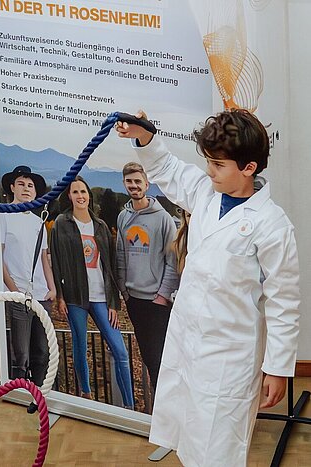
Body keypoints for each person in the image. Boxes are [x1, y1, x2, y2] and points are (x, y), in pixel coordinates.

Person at [116, 109, 300, 466]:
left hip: (230, 354)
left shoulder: (273, 225)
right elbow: (167, 168)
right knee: (188, 435)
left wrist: (277, 367)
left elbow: (283, 300)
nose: (209, 171)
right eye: (208, 162)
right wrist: (144, 136)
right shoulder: (205, 193)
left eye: (218, 164)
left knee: (218, 447)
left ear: (248, 168)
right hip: (187, 337)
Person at [49, 176, 134, 409]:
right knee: (80, 345)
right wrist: (61, 296)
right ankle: (86, 394)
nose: (80, 196)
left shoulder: (101, 226)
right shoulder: (61, 224)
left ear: (89, 195)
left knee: (120, 350)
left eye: (83, 191)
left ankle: (129, 405)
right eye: (75, 192)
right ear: (69, 196)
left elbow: (112, 265)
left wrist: (114, 302)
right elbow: (56, 261)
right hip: (75, 296)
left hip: (101, 296)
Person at [115, 162, 179, 394]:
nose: (134, 185)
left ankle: (165, 405)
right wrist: (124, 291)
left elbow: (172, 260)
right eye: (129, 181)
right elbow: (120, 255)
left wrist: (162, 296)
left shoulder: (163, 219)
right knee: (147, 355)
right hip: (134, 299)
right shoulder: (123, 217)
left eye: (138, 181)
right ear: (124, 184)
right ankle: (157, 406)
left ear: (147, 184)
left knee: (158, 357)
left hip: (156, 301)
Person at [0, 166, 56, 413]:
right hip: (17, 294)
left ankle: (38, 398)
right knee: (20, 352)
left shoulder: (39, 223)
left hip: (40, 295)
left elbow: (44, 259)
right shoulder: (2, 217)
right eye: (21, 184)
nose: (26, 189)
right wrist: (14, 290)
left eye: (30, 185)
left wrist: (52, 288)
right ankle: (19, 395)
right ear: (12, 187)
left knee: (42, 350)